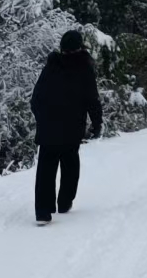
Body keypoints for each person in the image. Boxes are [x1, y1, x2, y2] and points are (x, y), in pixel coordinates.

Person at [30, 29, 103, 225]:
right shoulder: (84, 68)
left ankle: (43, 212)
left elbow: (35, 99)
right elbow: (92, 100)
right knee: (70, 164)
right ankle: (64, 202)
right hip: (71, 128)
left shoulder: (51, 66)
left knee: (46, 168)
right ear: (79, 46)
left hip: (48, 128)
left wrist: (42, 118)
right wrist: (97, 124)